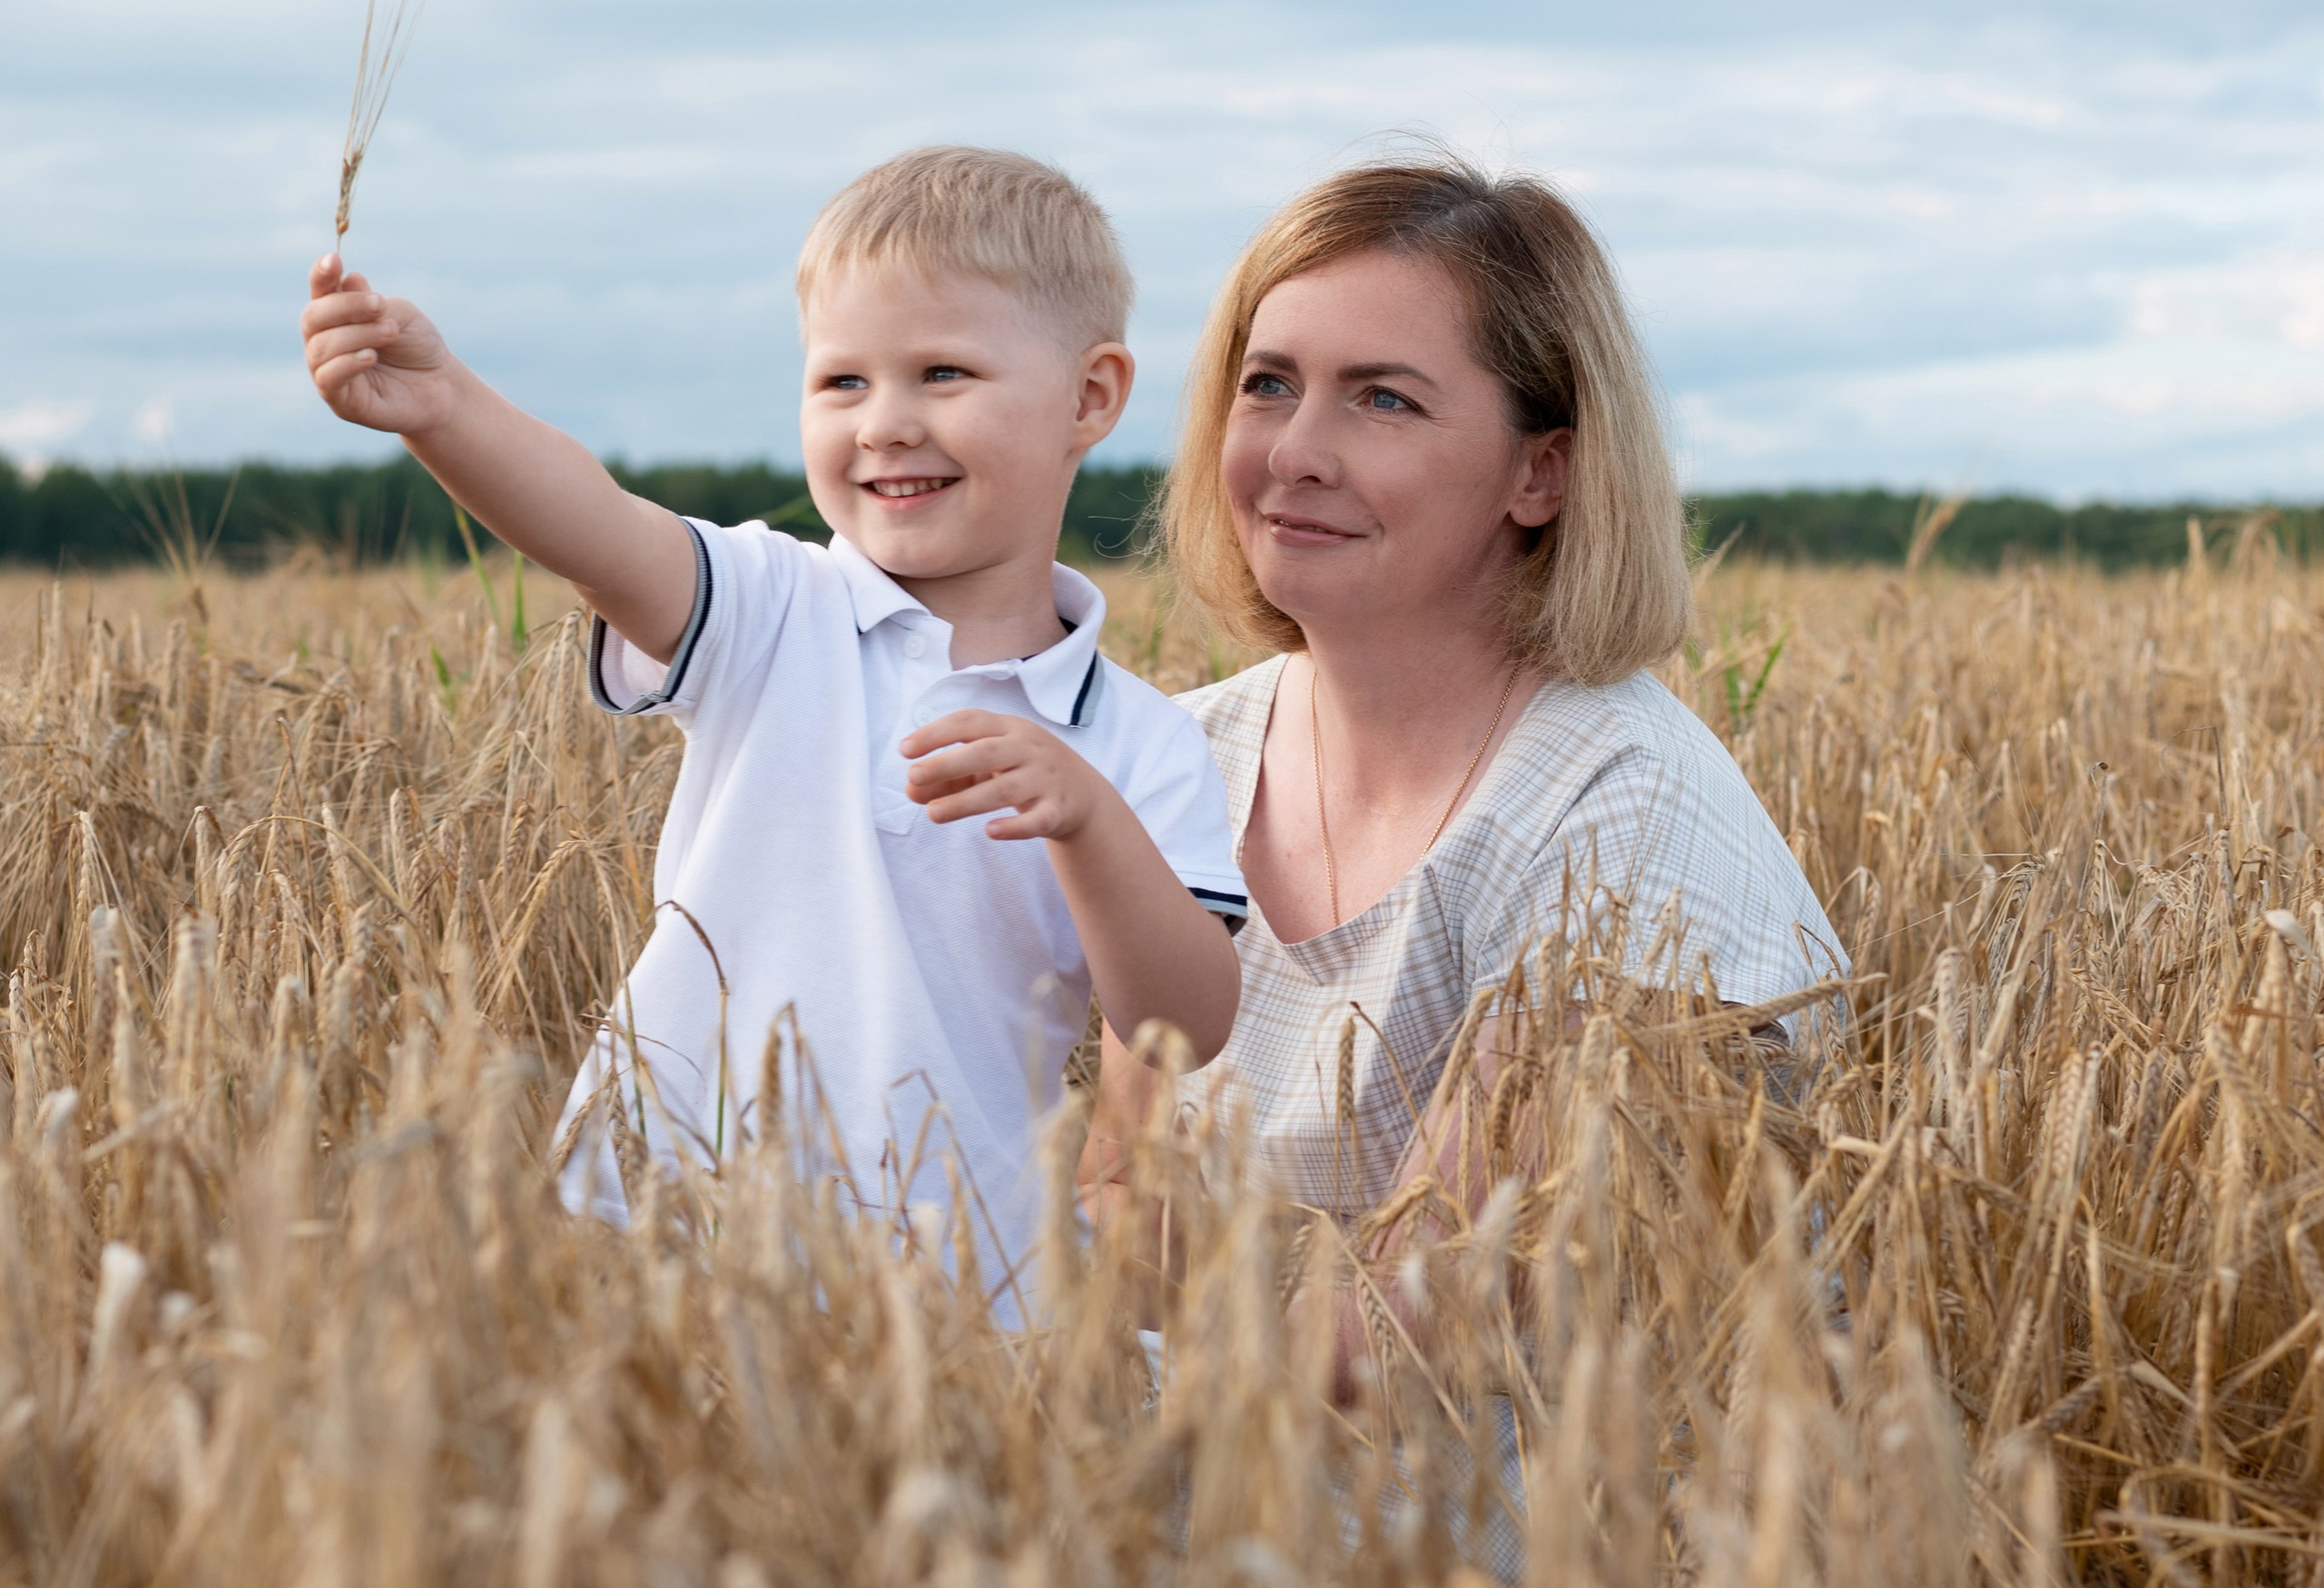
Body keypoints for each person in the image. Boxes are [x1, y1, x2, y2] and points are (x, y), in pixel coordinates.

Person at [300, 147, 1245, 1314]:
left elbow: (1182, 1025)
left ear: (1091, 397)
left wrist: (1089, 824)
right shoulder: (769, 607)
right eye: (841, 382)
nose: (884, 424)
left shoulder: (1141, 744)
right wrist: (443, 407)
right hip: (659, 1232)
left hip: (955, 1285)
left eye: (941, 372)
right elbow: (593, 525)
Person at [1084, 153, 1842, 1260]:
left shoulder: (1618, 816)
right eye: (1268, 384)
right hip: (1220, 1415)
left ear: (1540, 475)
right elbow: (1119, 1204)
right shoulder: (1178, 753)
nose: (1294, 452)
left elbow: (1421, 1317)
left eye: (1383, 399)